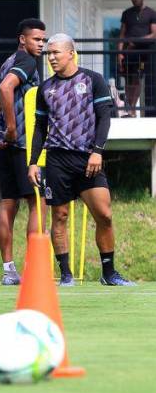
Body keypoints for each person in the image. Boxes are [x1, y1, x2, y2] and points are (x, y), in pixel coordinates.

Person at [29, 34, 135, 286]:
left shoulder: (93, 80)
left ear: (71, 53)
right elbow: (39, 127)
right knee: (60, 216)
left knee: (105, 215)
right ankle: (65, 274)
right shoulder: (46, 88)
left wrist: (98, 150)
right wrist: (34, 162)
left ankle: (109, 273)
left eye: (55, 52)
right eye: (48, 54)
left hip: (88, 158)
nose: (51, 58)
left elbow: (104, 118)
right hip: (56, 159)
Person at [0, 18, 46, 286]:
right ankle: (33, 268)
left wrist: (0, 134)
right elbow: (4, 89)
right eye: (37, 39)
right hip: (23, 146)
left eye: (43, 40)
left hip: (7, 147)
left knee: (8, 204)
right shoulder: (27, 62)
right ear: (22, 39)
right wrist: (11, 129)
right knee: (37, 203)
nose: (41, 44)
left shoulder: (7, 62)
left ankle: (9, 270)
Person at [117, 0, 156, 117]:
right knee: (130, 79)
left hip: (145, 53)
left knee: (140, 79)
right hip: (129, 51)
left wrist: (137, 40)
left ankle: (133, 108)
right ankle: (130, 107)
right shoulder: (127, 13)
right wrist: (119, 52)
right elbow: (122, 34)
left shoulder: (151, 13)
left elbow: (154, 34)